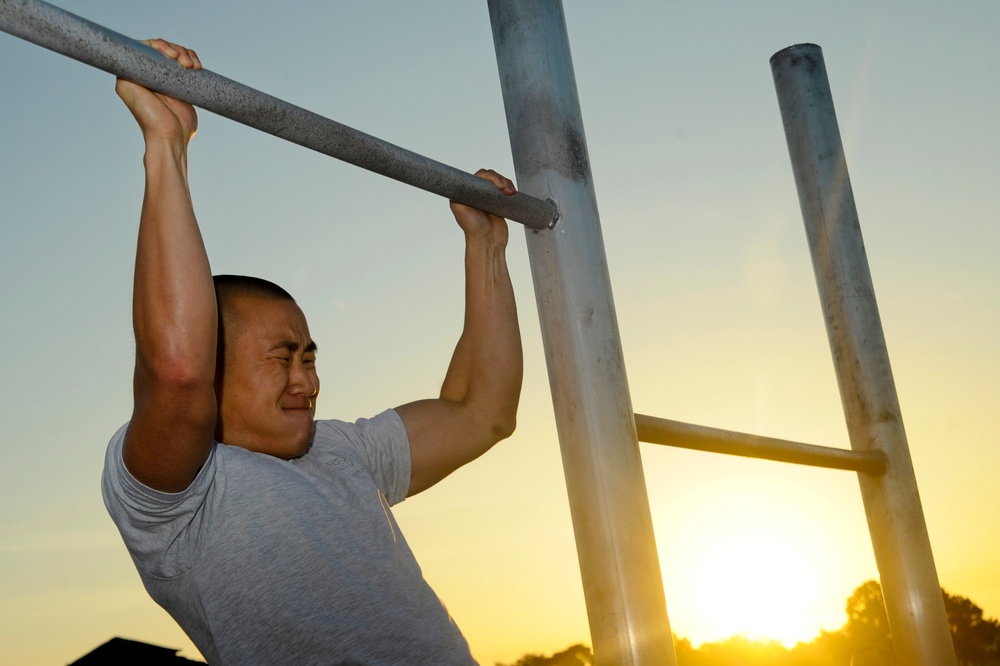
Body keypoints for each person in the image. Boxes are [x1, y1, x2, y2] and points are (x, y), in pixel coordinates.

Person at [101, 40, 522, 665]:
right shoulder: (175, 499)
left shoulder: (344, 451)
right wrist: (167, 146)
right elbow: (178, 371)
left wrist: (486, 249)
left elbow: (481, 410)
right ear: (216, 370)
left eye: (309, 357)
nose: (307, 380)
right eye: (282, 357)